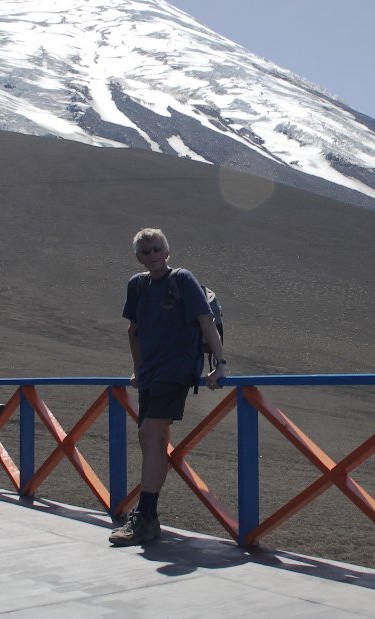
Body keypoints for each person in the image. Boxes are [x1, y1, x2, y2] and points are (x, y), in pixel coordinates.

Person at [108, 228, 227, 547]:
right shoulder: (137, 285)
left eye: (157, 248)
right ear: (138, 257)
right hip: (150, 373)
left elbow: (206, 322)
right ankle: (150, 520)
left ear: (167, 250)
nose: (152, 255)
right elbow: (133, 331)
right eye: (145, 251)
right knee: (153, 441)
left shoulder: (183, 279)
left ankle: (144, 516)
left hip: (176, 371)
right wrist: (136, 370)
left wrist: (220, 363)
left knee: (148, 435)